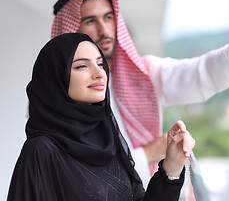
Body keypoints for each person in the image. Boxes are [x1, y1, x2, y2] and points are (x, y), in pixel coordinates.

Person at [51, 0, 229, 187]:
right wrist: (148, 154)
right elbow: (78, 179)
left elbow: (197, 75)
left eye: (108, 17)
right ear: (71, 29)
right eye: (90, 21)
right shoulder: (54, 101)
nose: (104, 30)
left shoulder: (142, 74)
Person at [7, 33, 195, 201]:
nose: (99, 74)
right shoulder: (41, 151)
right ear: (55, 78)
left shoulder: (108, 140)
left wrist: (172, 167)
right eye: (81, 66)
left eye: (100, 63)